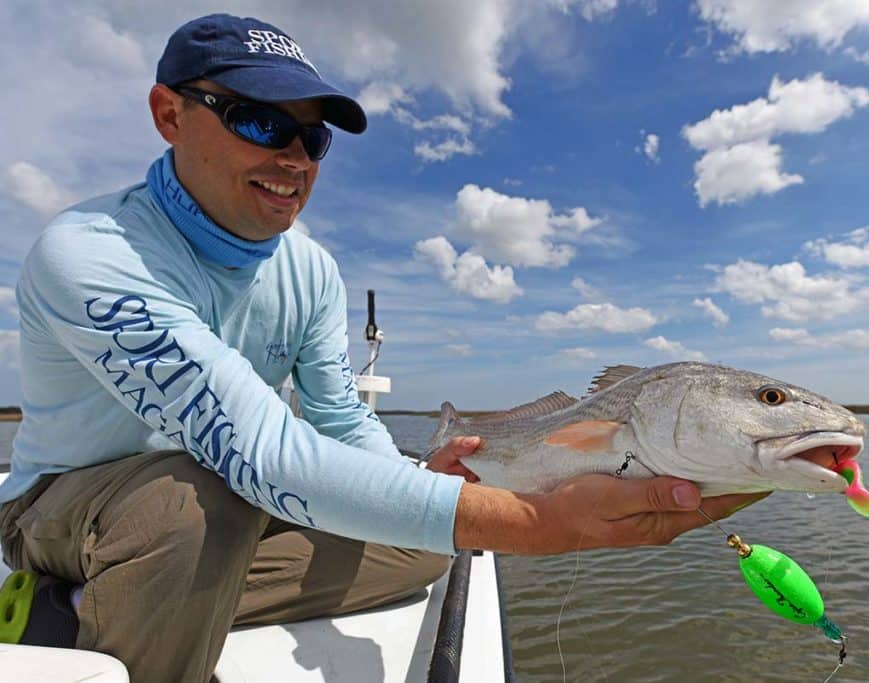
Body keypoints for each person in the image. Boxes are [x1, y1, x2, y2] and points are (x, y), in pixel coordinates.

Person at [0, 13, 767, 683]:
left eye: (313, 135)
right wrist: (539, 523)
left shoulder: (309, 268)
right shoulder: (91, 252)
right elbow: (255, 452)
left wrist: (417, 486)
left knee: (426, 547)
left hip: (232, 505)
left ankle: (144, 595)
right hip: (69, 503)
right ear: (169, 114)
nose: (295, 158)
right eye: (259, 121)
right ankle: (119, 595)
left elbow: (338, 417)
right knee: (191, 503)